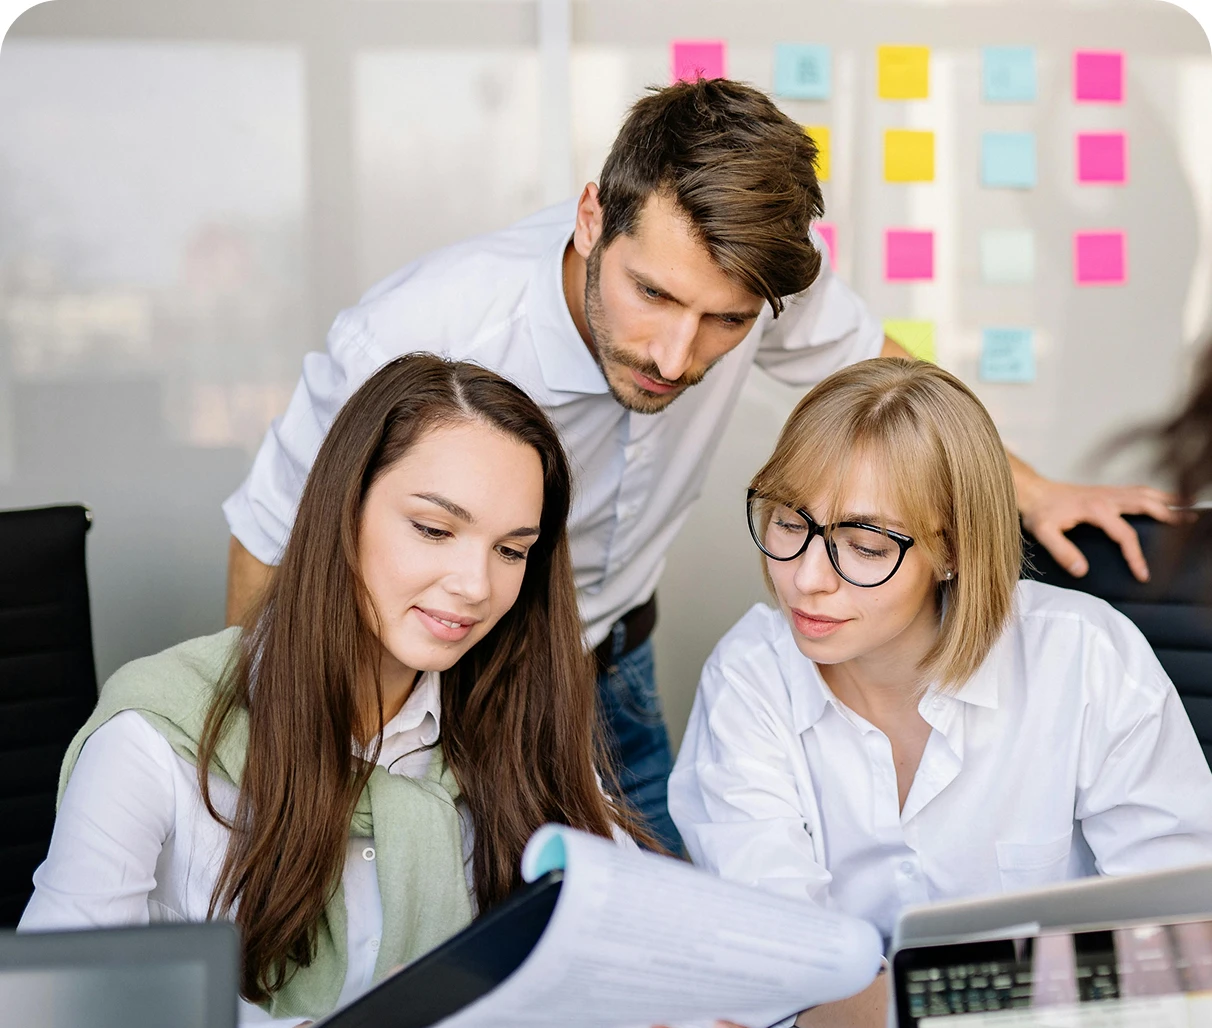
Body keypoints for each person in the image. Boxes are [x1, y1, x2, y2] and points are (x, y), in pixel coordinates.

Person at [221, 79, 1175, 855]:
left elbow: (891, 382)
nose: (676, 356)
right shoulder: (425, 331)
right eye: (653, 296)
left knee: (674, 951)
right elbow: (271, 539)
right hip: (447, 676)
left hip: (614, 663)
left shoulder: (758, 282)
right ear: (595, 217)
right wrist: (275, 746)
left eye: (723, 321)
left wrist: (1033, 489)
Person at [20, 354, 773, 1028]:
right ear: (343, 513)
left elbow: (636, 956)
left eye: (511, 550)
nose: (476, 585)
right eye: (435, 529)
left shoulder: (516, 722)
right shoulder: (156, 739)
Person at [667, 356, 1212, 1028]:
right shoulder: (750, 678)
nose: (805, 579)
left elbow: (1183, 931)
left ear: (951, 548)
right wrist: (996, 1024)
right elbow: (777, 961)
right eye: (786, 523)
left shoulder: (1083, 656)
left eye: (864, 545)